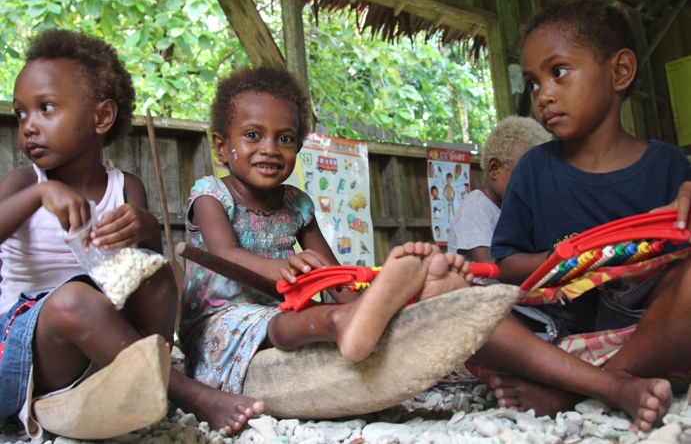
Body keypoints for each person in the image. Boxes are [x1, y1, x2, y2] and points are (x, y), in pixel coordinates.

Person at [0, 29, 265, 438]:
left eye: (45, 108)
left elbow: (149, 268)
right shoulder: (22, 184)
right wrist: (40, 194)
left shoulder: (125, 187)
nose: (29, 126)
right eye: (21, 114)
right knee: (73, 300)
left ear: (101, 116)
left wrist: (145, 227)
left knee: (157, 273)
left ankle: (131, 385)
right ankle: (184, 392)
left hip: (106, 343)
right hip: (31, 349)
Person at [180, 66, 474, 399]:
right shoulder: (211, 195)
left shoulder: (296, 203)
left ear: (298, 146)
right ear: (221, 146)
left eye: (285, 138)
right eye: (252, 135)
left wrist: (371, 302)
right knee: (293, 321)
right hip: (218, 327)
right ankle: (342, 322)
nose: (271, 148)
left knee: (311, 314)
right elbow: (224, 255)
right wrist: (283, 269)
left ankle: (400, 314)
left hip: (282, 316)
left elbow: (332, 276)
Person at [469, 0, 691, 432]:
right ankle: (616, 385)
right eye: (533, 83)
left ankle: (585, 387)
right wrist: (579, 257)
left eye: (559, 72)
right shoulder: (533, 168)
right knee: (460, 303)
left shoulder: (668, 165)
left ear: (619, 72)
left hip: (644, 330)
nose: (543, 96)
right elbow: (506, 266)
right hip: (553, 332)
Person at [447, 116, 550, 263]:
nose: (531, 188)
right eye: (525, 178)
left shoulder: (511, 210)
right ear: (495, 168)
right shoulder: (476, 206)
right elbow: (490, 265)